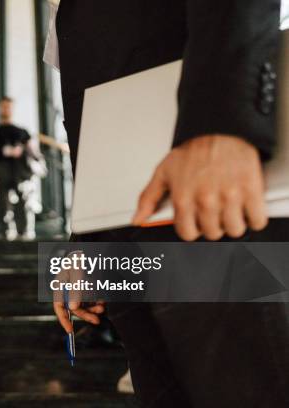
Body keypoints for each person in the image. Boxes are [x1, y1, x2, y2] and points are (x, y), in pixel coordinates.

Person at [54, 1, 289, 407]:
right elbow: (93, 87)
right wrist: (86, 236)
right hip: (122, 226)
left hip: (211, 191)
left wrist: (220, 124)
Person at [0, 97, 38, 241]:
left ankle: (25, 231)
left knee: (24, 199)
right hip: (1, 169)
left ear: (12, 108)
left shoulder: (22, 131)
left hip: (20, 170)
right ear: (0, 108)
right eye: (4, 106)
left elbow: (33, 152)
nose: (6, 109)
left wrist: (33, 167)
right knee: (3, 200)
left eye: (8, 106)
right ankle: (7, 231)